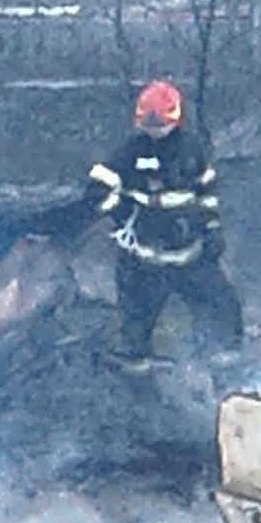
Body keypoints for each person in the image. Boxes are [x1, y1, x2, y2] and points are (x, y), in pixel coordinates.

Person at [87, 79, 241, 370]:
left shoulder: (192, 148)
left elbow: (206, 192)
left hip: (190, 255)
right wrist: (123, 215)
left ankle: (221, 370)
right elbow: (96, 191)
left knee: (221, 305)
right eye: (149, 122)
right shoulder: (128, 152)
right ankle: (138, 386)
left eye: (160, 122)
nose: (154, 128)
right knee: (135, 328)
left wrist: (212, 230)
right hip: (143, 262)